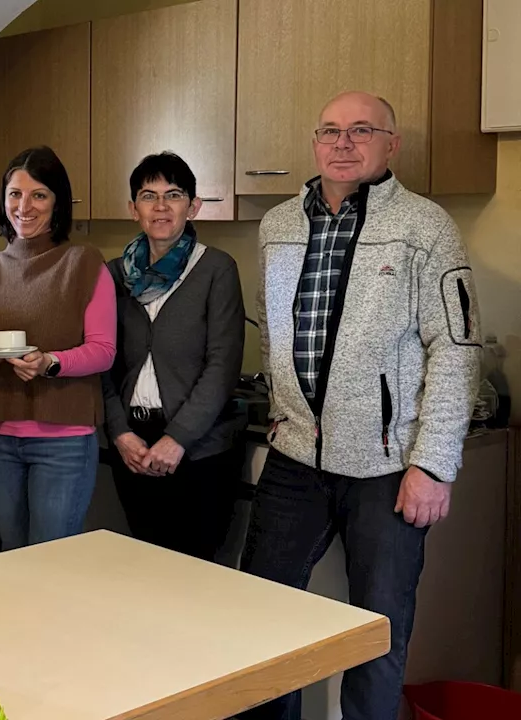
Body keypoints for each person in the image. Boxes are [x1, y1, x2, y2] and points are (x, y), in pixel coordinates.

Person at [239, 91, 480, 720]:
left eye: (361, 130)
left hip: (387, 467)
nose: (343, 143)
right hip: (294, 457)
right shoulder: (279, 225)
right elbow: (274, 329)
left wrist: (433, 464)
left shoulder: (426, 227)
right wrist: (279, 404)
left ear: (390, 144)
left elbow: (455, 349)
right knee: (261, 621)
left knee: (379, 633)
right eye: (330, 131)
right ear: (315, 142)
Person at [0, 146, 116, 550]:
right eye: (15, 194)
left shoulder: (84, 262)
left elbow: (104, 350)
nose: (24, 206)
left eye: (39, 195)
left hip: (63, 440)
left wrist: (51, 363)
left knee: (51, 562)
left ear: (57, 202)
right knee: (12, 558)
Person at [102, 152, 246, 563]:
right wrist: (119, 433)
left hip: (198, 451)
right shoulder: (113, 275)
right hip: (131, 446)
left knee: (196, 573)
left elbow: (222, 365)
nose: (161, 206)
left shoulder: (217, 268)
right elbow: (102, 361)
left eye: (174, 194)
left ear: (193, 206)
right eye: (149, 195)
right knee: (146, 569)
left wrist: (177, 439)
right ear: (133, 209)